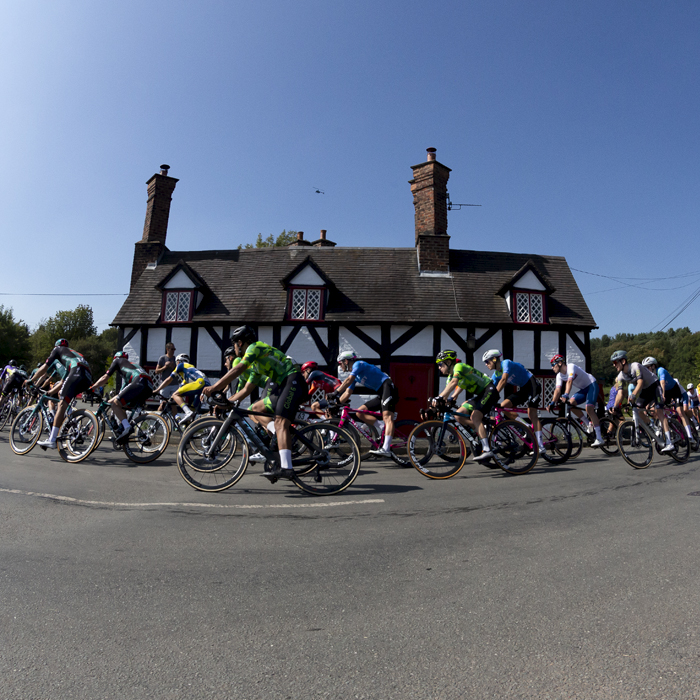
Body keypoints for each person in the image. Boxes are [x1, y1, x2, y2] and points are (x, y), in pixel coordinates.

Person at [202, 325, 306, 480]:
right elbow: (245, 390)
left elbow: (237, 369)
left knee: (280, 422)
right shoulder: (256, 365)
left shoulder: (254, 347)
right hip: (283, 385)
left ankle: (287, 468)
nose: (234, 348)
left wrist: (214, 387)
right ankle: (279, 440)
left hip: (292, 380)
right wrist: (227, 402)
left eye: (234, 344)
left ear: (240, 342)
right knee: (256, 408)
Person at [432, 349, 500, 461]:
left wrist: (439, 397)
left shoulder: (459, 367)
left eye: (440, 364)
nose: (439, 367)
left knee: (475, 416)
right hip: (480, 395)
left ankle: (487, 449)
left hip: (489, 390)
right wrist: (434, 407)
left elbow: (454, 383)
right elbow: (448, 395)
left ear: (448, 363)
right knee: (459, 414)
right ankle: (481, 431)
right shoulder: (449, 377)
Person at [25, 339, 92, 450]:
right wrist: (50, 392)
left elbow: (44, 368)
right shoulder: (73, 354)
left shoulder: (57, 350)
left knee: (61, 403)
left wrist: (31, 380)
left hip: (76, 372)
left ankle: (52, 440)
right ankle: (72, 424)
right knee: (64, 399)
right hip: (87, 377)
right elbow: (63, 380)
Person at [329, 351, 398, 457]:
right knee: (360, 412)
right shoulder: (355, 376)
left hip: (388, 387)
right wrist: (336, 403)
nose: (340, 366)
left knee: (387, 417)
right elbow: (347, 393)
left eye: (340, 363)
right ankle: (383, 426)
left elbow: (348, 380)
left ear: (346, 361)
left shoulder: (358, 364)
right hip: (381, 392)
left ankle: (386, 448)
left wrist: (335, 393)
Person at [610, 350, 674, 452]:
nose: (614, 365)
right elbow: (620, 393)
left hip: (654, 386)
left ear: (622, 361)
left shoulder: (635, 366)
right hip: (645, 390)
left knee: (659, 412)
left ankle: (670, 443)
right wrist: (615, 406)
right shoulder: (620, 376)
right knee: (638, 410)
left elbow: (640, 382)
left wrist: (633, 395)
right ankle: (653, 427)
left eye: (615, 362)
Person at [482, 349, 546, 452]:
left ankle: (540, 445)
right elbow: (491, 390)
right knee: (502, 407)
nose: (486, 364)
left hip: (532, 384)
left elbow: (503, 380)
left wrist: (494, 395)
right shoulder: (496, 375)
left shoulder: (506, 363)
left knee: (532, 413)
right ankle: (526, 427)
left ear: (494, 359)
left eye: (487, 361)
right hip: (523, 389)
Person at [90, 351, 155, 444]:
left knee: (116, 404)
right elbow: (121, 393)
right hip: (149, 386)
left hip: (139, 381)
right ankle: (125, 429)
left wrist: (92, 388)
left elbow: (105, 377)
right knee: (121, 404)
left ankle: (127, 427)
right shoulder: (131, 367)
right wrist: (109, 401)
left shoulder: (117, 361)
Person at [548, 355, 604, 448]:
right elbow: (557, 390)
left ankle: (599, 438)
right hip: (583, 389)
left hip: (591, 385)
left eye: (553, 365)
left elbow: (569, 382)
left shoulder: (571, 367)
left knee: (589, 409)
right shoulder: (559, 376)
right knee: (571, 404)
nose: (552, 367)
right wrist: (552, 402)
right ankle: (588, 424)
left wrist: (566, 395)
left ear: (560, 363)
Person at [640, 357, 693, 441]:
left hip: (674, 391)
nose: (646, 370)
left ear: (653, 366)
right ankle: (672, 423)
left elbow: (662, 383)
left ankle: (690, 436)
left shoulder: (661, 370)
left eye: (647, 367)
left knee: (680, 412)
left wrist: (663, 395)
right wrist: (648, 403)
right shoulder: (651, 376)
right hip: (666, 393)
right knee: (659, 410)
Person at [154, 353, 211, 426]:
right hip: (207, 385)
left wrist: (156, 390)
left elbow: (168, 379)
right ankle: (189, 431)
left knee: (175, 395)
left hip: (200, 383)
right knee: (192, 410)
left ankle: (188, 412)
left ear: (178, 361)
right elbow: (180, 389)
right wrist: (170, 400)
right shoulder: (189, 371)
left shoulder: (181, 365)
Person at [155, 342, 178, 410]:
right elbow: (156, 371)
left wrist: (174, 367)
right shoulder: (162, 358)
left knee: (173, 403)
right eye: (172, 349)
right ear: (167, 349)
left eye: (174, 349)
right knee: (163, 403)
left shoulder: (176, 359)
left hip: (174, 384)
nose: (173, 351)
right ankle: (158, 418)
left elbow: (179, 372)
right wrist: (165, 367)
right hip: (164, 384)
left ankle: (175, 420)